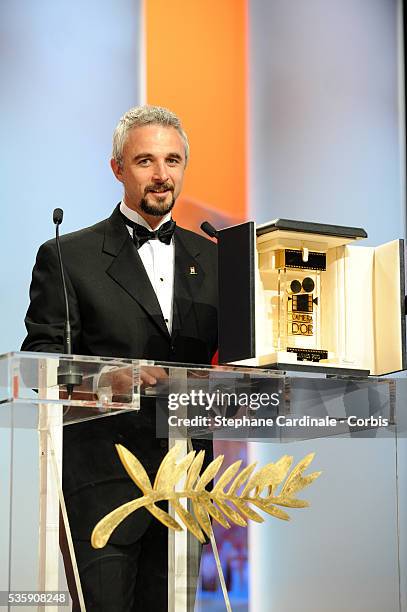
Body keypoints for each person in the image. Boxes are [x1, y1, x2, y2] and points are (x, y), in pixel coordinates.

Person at [22, 105, 218, 611]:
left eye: (172, 161)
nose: (161, 175)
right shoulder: (69, 255)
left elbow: (239, 358)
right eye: (145, 161)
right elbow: (42, 360)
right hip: (103, 487)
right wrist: (115, 377)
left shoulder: (216, 260)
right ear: (118, 169)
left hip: (188, 487)